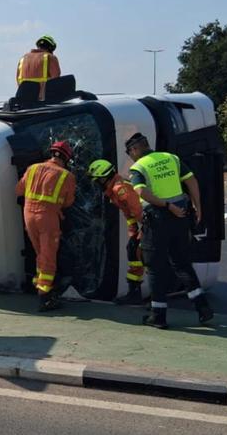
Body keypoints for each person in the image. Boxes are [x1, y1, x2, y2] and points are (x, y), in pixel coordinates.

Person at [126, 132, 213, 329]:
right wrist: (198, 206)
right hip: (180, 218)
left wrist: (166, 206)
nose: (130, 156)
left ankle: (158, 316)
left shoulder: (138, 167)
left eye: (130, 152)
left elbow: (140, 191)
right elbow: (191, 180)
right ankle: (203, 307)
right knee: (182, 263)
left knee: (155, 267)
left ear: (135, 149)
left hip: (158, 221)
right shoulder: (171, 158)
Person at [16, 140, 76, 312]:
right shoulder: (67, 176)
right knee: (48, 256)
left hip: (28, 215)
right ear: (67, 158)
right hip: (48, 218)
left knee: (40, 253)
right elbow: (68, 202)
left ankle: (39, 284)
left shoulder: (32, 168)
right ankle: (45, 297)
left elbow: (18, 190)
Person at [87, 159, 145, 305]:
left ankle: (154, 296)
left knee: (146, 255)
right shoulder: (114, 191)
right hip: (146, 223)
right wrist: (133, 235)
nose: (96, 184)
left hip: (151, 223)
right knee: (133, 250)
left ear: (104, 178)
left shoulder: (119, 189)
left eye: (97, 181)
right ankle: (134, 292)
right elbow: (129, 214)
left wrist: (144, 231)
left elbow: (139, 210)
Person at [16, 34, 62, 100]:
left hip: (23, 98)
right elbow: (56, 80)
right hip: (43, 100)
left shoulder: (23, 58)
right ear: (51, 48)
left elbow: (18, 80)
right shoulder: (50, 57)